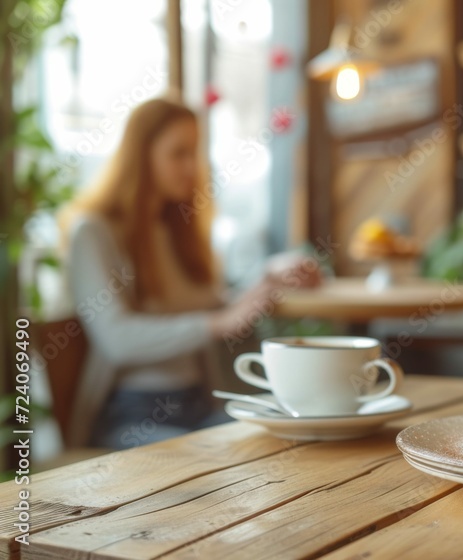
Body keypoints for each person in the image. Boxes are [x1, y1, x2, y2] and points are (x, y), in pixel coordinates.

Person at [60, 97, 319, 449]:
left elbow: (216, 306)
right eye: (178, 153)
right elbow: (116, 339)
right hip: (131, 415)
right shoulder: (93, 232)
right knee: (217, 459)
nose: (191, 166)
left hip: (199, 405)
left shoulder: (176, 230)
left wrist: (269, 278)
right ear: (141, 155)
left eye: (194, 152)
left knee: (291, 436)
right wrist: (218, 323)